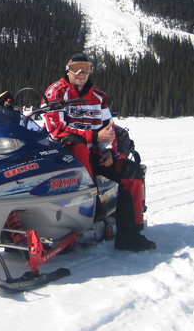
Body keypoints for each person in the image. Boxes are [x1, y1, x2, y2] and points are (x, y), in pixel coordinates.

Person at [44, 52, 156, 252]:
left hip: (95, 154)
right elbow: (56, 130)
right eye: (76, 67)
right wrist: (94, 137)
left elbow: (109, 129)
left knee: (133, 172)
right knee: (75, 144)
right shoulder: (56, 92)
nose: (81, 72)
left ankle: (130, 235)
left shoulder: (98, 96)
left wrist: (109, 152)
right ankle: (92, 208)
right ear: (67, 70)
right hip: (64, 157)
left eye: (86, 68)